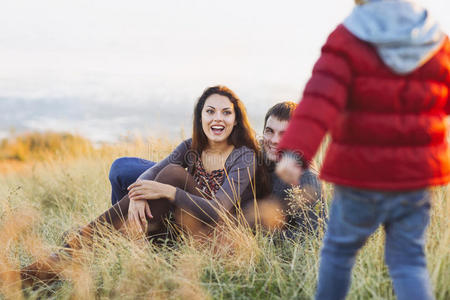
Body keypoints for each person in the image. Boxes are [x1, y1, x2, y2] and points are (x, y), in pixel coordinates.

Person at [275, 1, 450, 299]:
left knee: (339, 252)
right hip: (415, 178)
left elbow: (320, 100)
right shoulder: (434, 39)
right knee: (409, 262)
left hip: (360, 178)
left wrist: (295, 152)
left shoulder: (348, 37)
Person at [21, 85, 267, 285]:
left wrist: (168, 191)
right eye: (210, 111)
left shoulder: (243, 156)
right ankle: (62, 262)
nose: (217, 119)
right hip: (180, 232)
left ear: (235, 120)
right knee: (158, 175)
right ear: (200, 117)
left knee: (172, 175)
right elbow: (152, 171)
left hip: (215, 239)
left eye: (226, 113)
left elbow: (218, 210)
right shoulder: (191, 147)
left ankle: (63, 257)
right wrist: (139, 195)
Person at [109, 101, 323, 236]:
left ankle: (110, 234)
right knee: (122, 169)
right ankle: (132, 226)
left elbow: (311, 235)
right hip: (205, 186)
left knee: (172, 176)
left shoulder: (304, 178)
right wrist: (139, 193)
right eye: (269, 131)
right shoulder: (257, 149)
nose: (274, 140)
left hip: (215, 217)